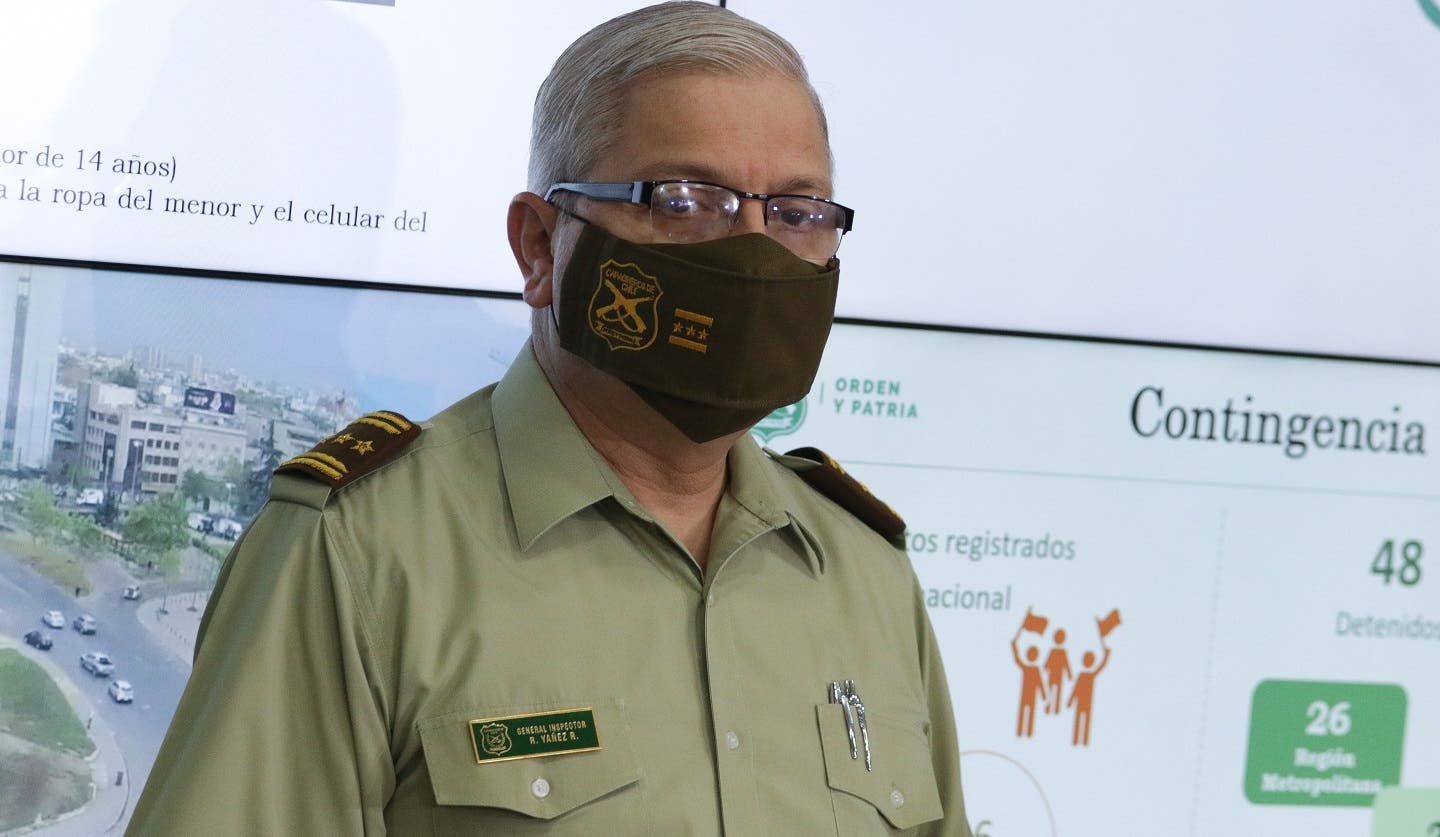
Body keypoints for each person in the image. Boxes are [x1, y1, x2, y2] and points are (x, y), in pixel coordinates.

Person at [128, 4, 970, 835]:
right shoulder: (357, 556)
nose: (753, 254)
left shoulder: (867, 577)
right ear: (540, 245)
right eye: (683, 201)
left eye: (796, 213)